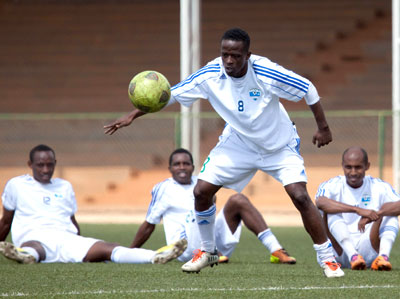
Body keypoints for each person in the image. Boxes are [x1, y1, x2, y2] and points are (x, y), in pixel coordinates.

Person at [104, 28, 343, 277]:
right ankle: (207, 251)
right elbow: (170, 94)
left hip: (279, 145)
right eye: (225, 54)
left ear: (247, 55)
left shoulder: (266, 72)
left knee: (300, 197)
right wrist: (133, 114)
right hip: (238, 143)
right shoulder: (211, 74)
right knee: (201, 191)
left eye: (235, 55)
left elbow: (308, 89)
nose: (229, 60)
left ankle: (328, 259)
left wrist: (323, 128)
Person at [0, 144, 187, 265]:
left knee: (107, 248)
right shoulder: (16, 185)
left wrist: (81, 244)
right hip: (34, 237)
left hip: (66, 239)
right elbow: (6, 221)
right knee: (35, 248)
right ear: (30, 164)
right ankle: (26, 255)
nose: (46, 170)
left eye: (50, 165)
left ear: (55, 163)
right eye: (40, 165)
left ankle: (154, 257)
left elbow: (72, 220)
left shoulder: (64, 186)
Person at [130, 148, 296, 268]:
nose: (182, 167)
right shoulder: (163, 188)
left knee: (238, 199)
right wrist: (130, 252)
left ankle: (276, 250)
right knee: (196, 208)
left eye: (186, 164)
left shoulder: (201, 182)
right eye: (177, 164)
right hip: (185, 249)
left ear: (193, 167)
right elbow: (149, 224)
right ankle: (211, 252)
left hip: (211, 241)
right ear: (170, 168)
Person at [315, 146, 400, 271]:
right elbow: (320, 202)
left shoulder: (379, 186)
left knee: (390, 214)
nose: (353, 172)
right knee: (331, 211)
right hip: (337, 253)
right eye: (348, 167)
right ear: (342, 166)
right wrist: (357, 210)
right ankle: (353, 255)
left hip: (368, 250)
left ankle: (382, 257)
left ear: (367, 166)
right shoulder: (332, 185)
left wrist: (375, 214)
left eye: (358, 167)